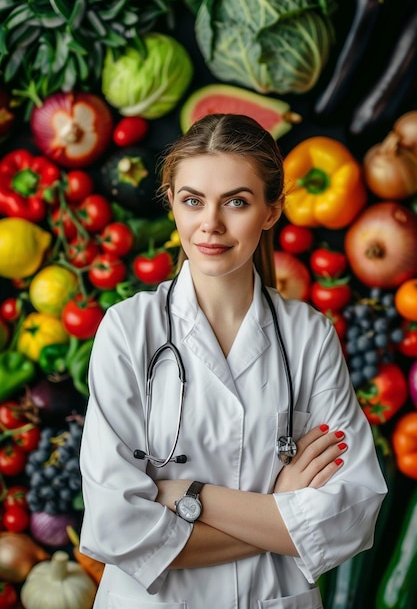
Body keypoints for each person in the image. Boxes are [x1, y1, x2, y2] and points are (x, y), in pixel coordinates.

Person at [79, 113, 387, 608]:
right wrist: (282, 512)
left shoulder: (308, 335)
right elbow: (116, 529)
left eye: (237, 202)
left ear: (271, 211)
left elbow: (352, 512)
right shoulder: (128, 329)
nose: (211, 225)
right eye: (193, 201)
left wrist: (190, 495)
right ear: (173, 205)